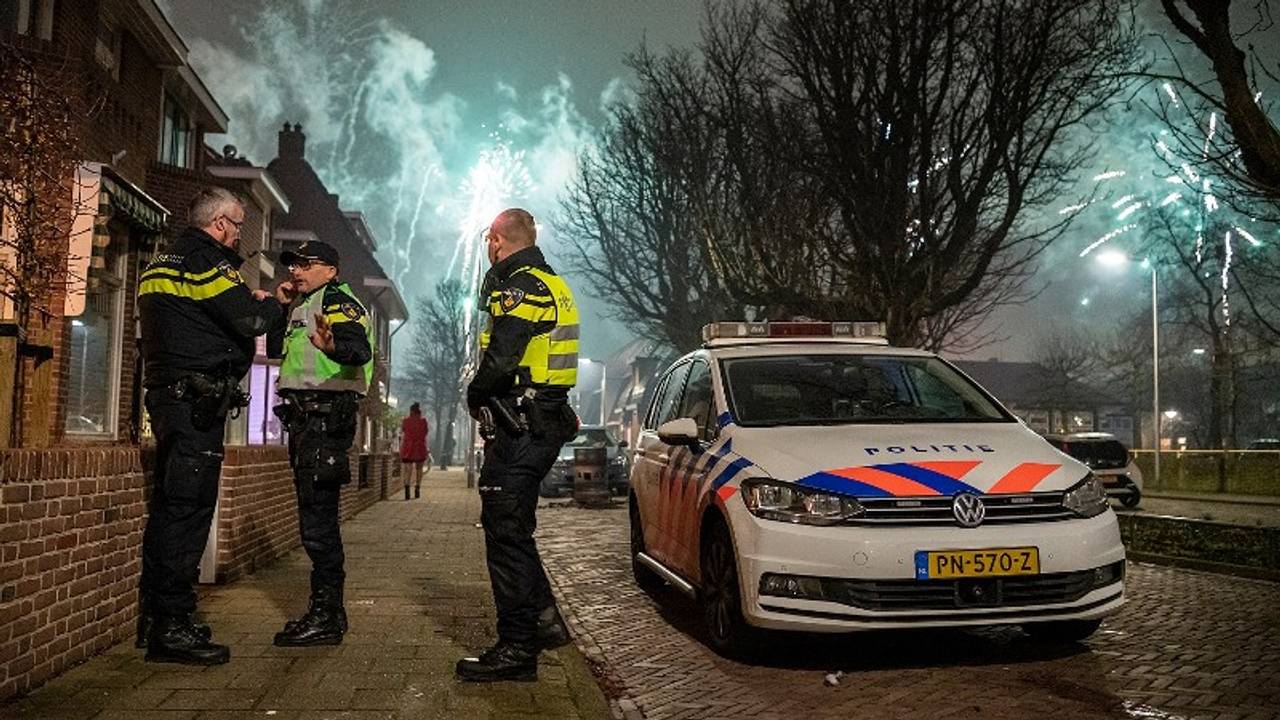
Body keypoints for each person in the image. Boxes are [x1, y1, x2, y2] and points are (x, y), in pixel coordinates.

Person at [137, 186, 283, 665]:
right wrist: (271, 302)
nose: (240, 234)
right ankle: (173, 630)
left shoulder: (160, 262)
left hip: (168, 398)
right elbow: (248, 321)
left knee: (169, 507)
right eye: (238, 224)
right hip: (196, 403)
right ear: (220, 223)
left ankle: (156, 618)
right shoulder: (208, 263)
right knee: (188, 511)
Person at [456, 208, 581, 683]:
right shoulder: (556, 285)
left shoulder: (521, 287)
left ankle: (516, 649)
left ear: (495, 240)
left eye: (488, 242)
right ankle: (545, 622)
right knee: (515, 529)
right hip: (542, 419)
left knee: (505, 533)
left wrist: (475, 392)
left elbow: (503, 356)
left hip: (521, 426)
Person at [265, 240, 373, 647]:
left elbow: (357, 349)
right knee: (314, 519)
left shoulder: (339, 303)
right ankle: (324, 612)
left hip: (325, 421)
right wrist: (279, 306)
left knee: (319, 524)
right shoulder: (304, 306)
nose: (296, 271)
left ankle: (327, 616)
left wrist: (334, 346)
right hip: (307, 423)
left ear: (331, 270)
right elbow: (276, 349)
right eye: (293, 264)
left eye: (306, 265)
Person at [400, 403, 430, 499]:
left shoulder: (406, 421)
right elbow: (425, 433)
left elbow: (404, 431)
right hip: (420, 448)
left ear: (411, 411)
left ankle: (407, 490)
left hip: (408, 448)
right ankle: (417, 488)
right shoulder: (423, 421)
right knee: (419, 469)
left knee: (408, 469)